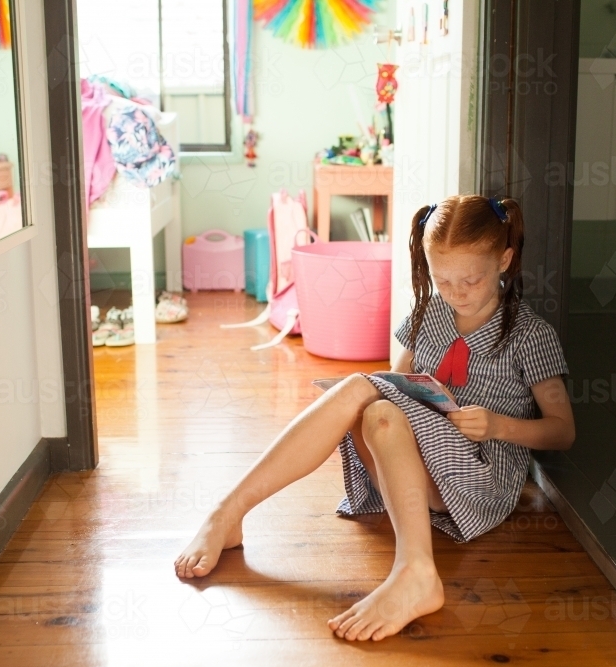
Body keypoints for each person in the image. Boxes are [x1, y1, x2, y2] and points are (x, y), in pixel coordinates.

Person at [174, 195, 575, 642]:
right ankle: (236, 516)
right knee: (377, 405)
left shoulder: (529, 334)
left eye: (471, 280)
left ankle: (410, 569)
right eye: (442, 280)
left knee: (361, 388)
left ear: (504, 260)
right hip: (412, 465)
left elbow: (563, 431)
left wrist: (499, 426)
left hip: (479, 481)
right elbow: (396, 380)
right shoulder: (431, 313)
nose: (456, 293)